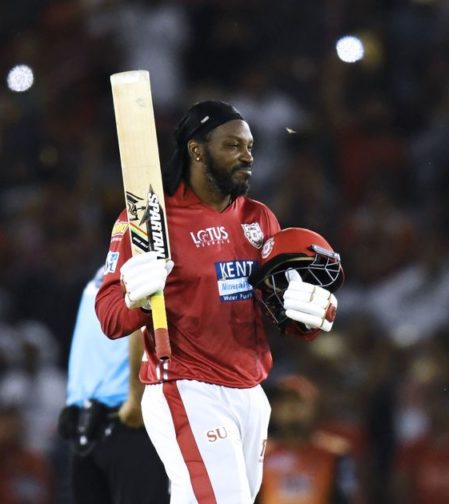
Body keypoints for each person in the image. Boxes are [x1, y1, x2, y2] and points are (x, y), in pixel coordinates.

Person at [95, 100, 342, 503]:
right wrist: (136, 299)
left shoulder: (259, 218)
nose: (247, 156)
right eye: (233, 145)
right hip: (187, 388)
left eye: (250, 147)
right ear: (197, 150)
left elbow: (281, 313)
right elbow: (108, 317)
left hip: (251, 392)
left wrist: (310, 313)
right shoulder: (148, 220)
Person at [61, 266, 169, 503]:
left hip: (129, 420)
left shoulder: (145, 258)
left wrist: (137, 402)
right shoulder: (108, 266)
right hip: (86, 422)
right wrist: (73, 400)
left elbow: (143, 324)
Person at [259, 375, 356, 504]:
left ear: (314, 408)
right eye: (283, 403)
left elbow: (347, 496)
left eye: (298, 402)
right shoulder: (261, 455)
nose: (291, 409)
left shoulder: (333, 454)